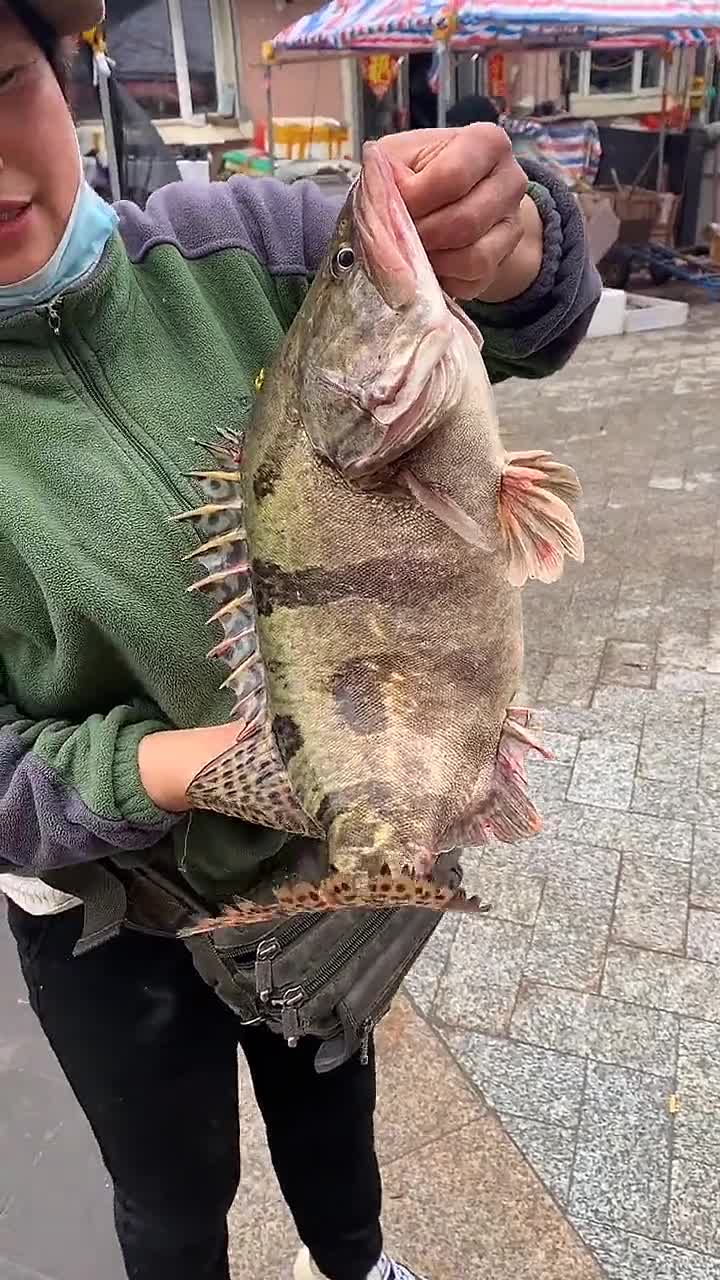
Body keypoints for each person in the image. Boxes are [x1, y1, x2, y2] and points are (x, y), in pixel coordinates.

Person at [0, 3, 601, 1279]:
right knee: (173, 1190)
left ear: (62, 74)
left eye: (4, 88)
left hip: (310, 858)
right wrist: (200, 763)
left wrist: (522, 231)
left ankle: (360, 1263)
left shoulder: (252, 247)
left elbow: (531, 318)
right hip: (109, 919)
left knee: (335, 1111)